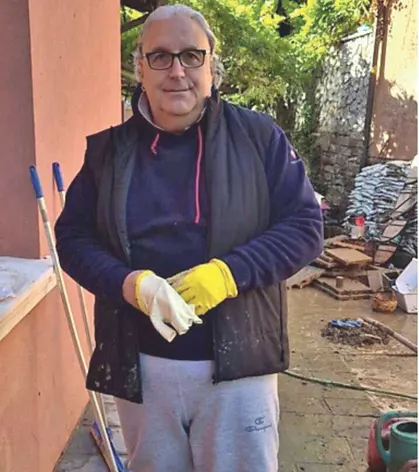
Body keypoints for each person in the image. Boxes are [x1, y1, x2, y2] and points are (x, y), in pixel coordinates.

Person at [54, 5, 323, 472]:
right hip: (142, 367)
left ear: (212, 65)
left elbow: (305, 226)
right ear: (140, 68)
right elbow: (72, 238)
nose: (177, 71)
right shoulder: (107, 152)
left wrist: (227, 275)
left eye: (192, 55)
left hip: (239, 370)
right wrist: (129, 284)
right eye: (160, 56)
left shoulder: (259, 139)